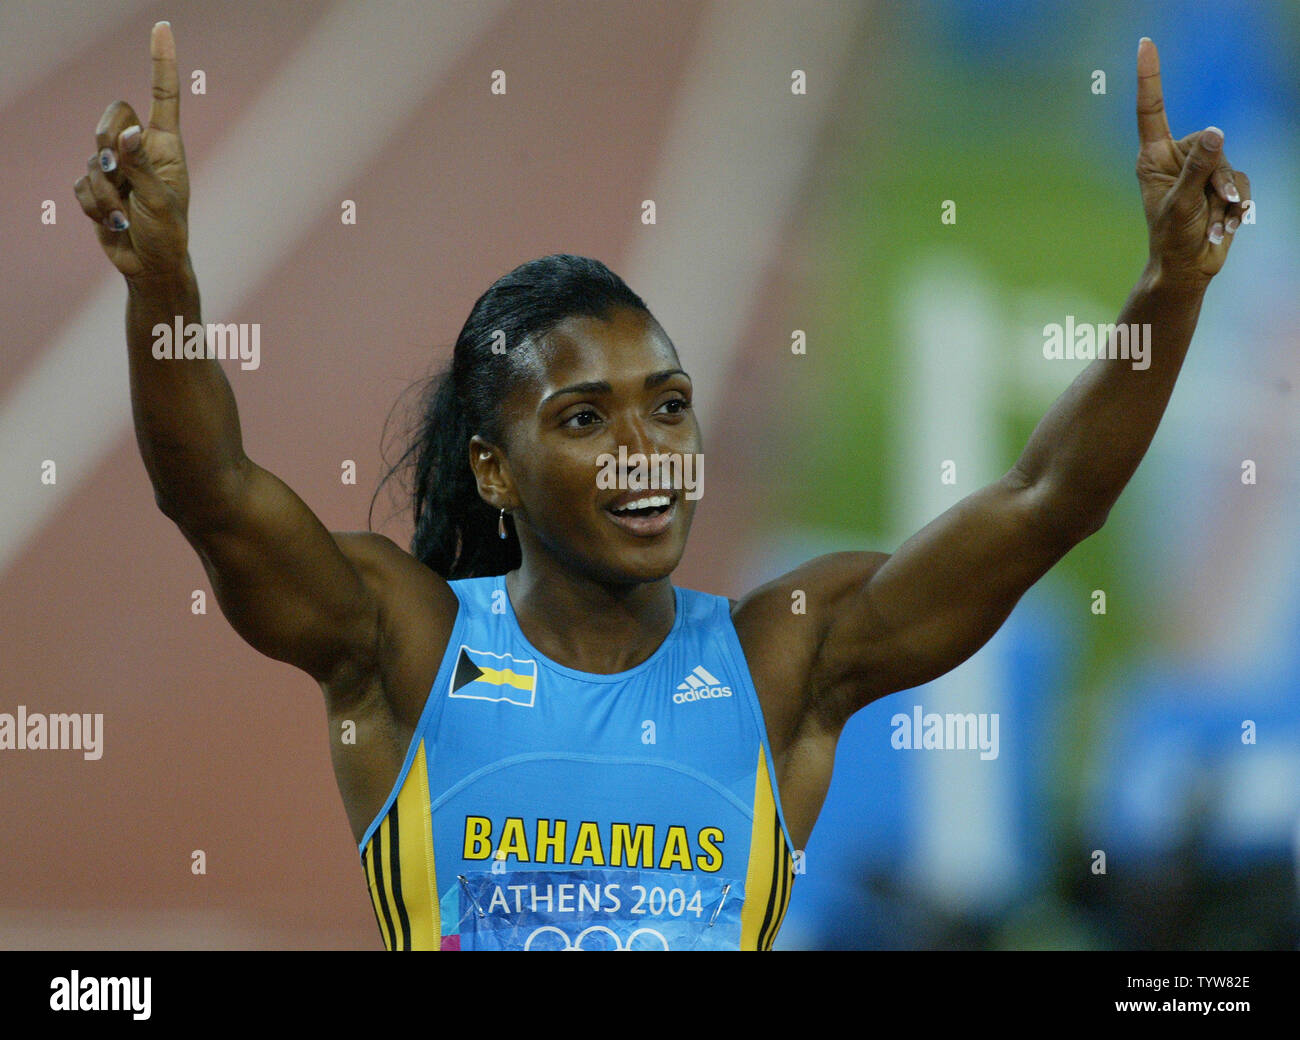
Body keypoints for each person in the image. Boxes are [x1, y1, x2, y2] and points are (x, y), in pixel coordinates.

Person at [74, 23, 1249, 950]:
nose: (647, 447)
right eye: (585, 419)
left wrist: (1168, 290)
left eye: (669, 405)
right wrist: (163, 280)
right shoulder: (409, 643)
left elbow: (1047, 499)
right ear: (494, 469)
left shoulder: (788, 659)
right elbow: (214, 493)